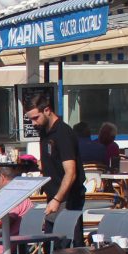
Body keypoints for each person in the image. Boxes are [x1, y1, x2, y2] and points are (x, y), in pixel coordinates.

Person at [22, 88, 83, 216]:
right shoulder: (44, 132)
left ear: (47, 110)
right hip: (53, 197)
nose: (33, 123)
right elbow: (49, 163)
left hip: (67, 200)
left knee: (66, 236)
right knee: (51, 235)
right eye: (30, 120)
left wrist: (57, 199)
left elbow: (71, 173)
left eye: (36, 118)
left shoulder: (62, 132)